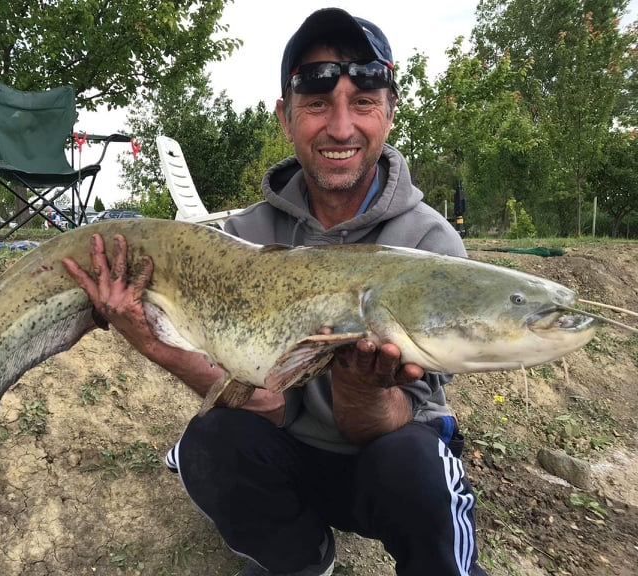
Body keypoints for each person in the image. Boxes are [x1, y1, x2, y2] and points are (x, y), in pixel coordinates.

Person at [63, 8, 486, 576]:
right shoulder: (240, 240)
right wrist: (154, 342)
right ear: (285, 117)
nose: (341, 128)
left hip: (383, 456)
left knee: (415, 464)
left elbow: (385, 426)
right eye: (318, 104)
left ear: (389, 112)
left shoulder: (432, 246)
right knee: (210, 442)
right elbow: (264, 402)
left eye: (363, 102)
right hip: (286, 451)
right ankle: (301, 558)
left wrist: (360, 389)